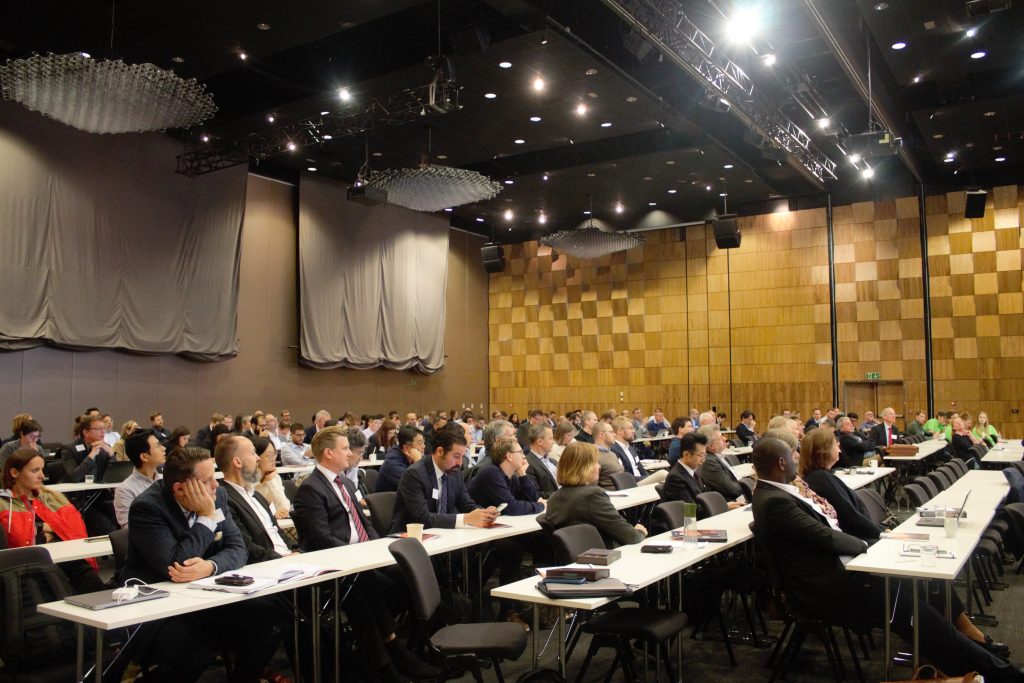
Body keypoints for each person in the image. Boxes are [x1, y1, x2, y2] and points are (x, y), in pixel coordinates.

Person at [750, 437, 1020, 682]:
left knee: (925, 585)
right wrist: (872, 544)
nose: (797, 458)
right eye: (793, 455)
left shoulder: (778, 493)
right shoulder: (774, 501)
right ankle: (999, 673)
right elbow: (827, 537)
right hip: (828, 590)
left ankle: (965, 657)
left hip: (842, 572)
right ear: (781, 463)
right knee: (918, 613)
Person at [122, 446, 286, 683]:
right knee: (192, 654)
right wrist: (207, 518)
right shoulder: (147, 507)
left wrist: (210, 566)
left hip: (207, 598)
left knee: (271, 618)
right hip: (160, 608)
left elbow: (238, 548)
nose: (216, 485)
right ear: (179, 489)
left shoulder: (218, 495)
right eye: (207, 480)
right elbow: (175, 565)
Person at [290, 426, 440, 683]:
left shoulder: (346, 483)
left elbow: (364, 523)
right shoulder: (310, 489)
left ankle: (413, 649)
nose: (350, 453)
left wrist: (376, 546)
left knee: (410, 577)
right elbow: (319, 538)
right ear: (328, 453)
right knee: (360, 588)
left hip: (363, 560)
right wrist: (359, 555)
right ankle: (390, 660)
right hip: (336, 567)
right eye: (345, 448)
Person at [0, 448, 105, 594]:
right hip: (29, 567)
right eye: (35, 470)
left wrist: (43, 529)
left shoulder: (52, 497)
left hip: (67, 557)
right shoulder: (4, 504)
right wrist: (47, 528)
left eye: (42, 470)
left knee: (91, 581)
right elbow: (16, 539)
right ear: (14, 473)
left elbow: (74, 528)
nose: (42, 476)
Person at [390, 428, 497, 532]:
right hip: (410, 537)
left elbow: (466, 504)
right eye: (456, 456)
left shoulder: (454, 472)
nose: (460, 463)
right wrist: (466, 518)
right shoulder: (414, 474)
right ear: (440, 451)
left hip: (444, 534)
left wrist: (484, 513)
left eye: (462, 457)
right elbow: (423, 518)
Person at [544, 442, 647, 548]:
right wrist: (639, 531)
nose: (599, 466)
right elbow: (631, 537)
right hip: (607, 554)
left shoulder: (554, 498)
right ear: (585, 467)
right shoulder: (592, 496)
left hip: (584, 555)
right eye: (595, 462)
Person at [216, 436, 293, 563]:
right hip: (270, 564)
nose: (258, 458)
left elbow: (278, 532)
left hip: (288, 557)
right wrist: (283, 558)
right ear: (238, 462)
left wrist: (296, 550)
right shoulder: (224, 500)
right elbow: (246, 546)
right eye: (253, 453)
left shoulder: (256, 496)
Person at [798, 428, 884, 541]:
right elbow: (850, 517)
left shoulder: (817, 476)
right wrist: (881, 533)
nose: (839, 450)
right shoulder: (822, 479)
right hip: (857, 539)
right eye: (836, 445)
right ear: (824, 450)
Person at [114, 429, 165, 528]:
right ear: (144, 457)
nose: (163, 448)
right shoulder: (125, 490)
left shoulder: (165, 480)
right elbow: (129, 528)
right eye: (158, 445)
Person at [609, 416, 668, 485]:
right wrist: (646, 478)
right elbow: (624, 475)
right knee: (663, 474)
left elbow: (641, 469)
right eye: (630, 428)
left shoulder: (630, 448)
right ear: (620, 431)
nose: (633, 431)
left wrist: (648, 477)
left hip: (641, 480)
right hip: (632, 484)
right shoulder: (613, 450)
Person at [697, 424, 745, 503]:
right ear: (711, 446)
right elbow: (731, 489)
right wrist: (747, 486)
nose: (725, 439)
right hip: (728, 503)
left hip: (737, 496)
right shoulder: (710, 462)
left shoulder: (718, 456)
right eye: (720, 438)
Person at [59, 413, 114, 483]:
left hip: (100, 488)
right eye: (98, 429)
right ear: (86, 432)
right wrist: (91, 456)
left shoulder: (105, 447)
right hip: (77, 489)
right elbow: (74, 477)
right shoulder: (69, 449)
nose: (103, 432)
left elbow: (114, 475)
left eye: (104, 428)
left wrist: (111, 455)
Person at [662, 432, 710, 505]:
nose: (703, 460)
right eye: (701, 455)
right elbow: (690, 509)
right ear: (686, 455)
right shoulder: (675, 478)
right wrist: (717, 507)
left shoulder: (693, 470)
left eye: (704, 455)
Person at [376, 425, 425, 493]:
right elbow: (416, 486)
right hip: (391, 499)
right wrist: (418, 462)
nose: (423, 446)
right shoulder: (393, 464)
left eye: (423, 442)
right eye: (420, 443)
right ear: (407, 448)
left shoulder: (416, 457)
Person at [252, 437, 290, 518]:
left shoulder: (274, 477)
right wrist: (272, 515)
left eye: (274, 454)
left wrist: (270, 481)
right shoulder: (247, 480)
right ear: (257, 458)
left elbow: (285, 508)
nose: (273, 459)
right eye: (269, 455)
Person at [524, 423, 559, 498]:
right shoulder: (527, 464)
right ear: (540, 441)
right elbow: (535, 494)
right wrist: (562, 494)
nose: (553, 442)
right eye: (550, 438)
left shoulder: (554, 461)